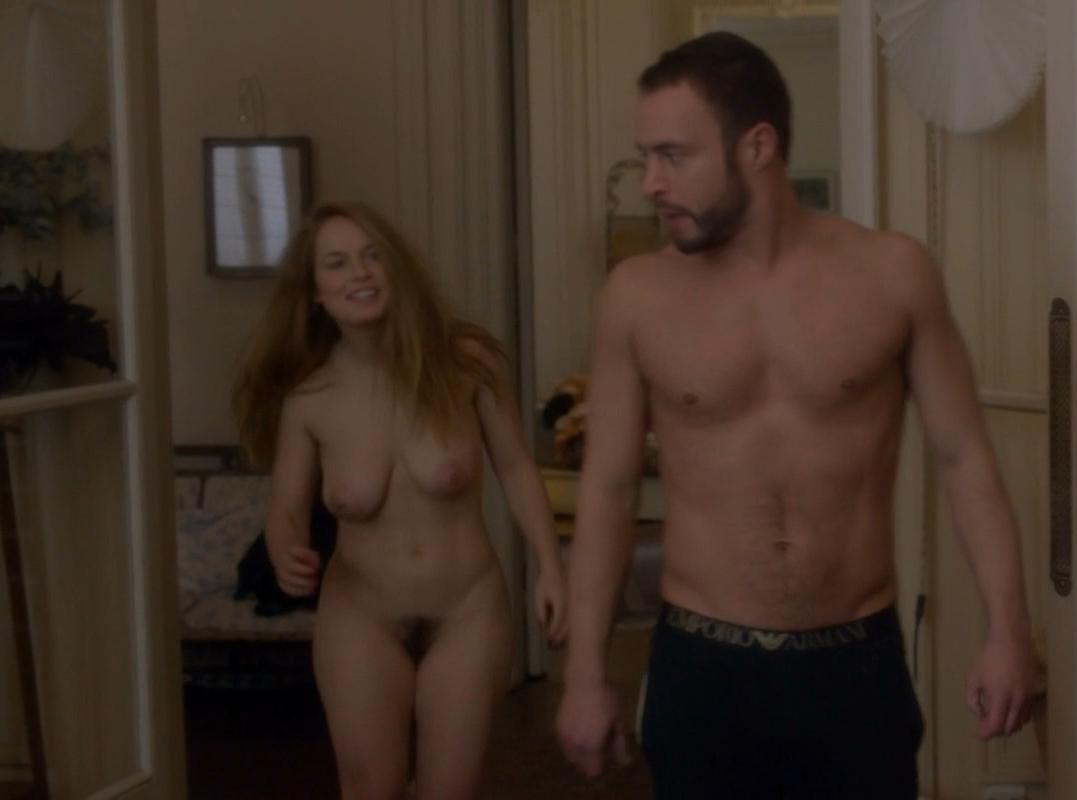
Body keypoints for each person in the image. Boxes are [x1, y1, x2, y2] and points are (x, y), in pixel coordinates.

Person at [552, 31, 1036, 797]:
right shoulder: (637, 297)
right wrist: (584, 676)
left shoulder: (892, 274)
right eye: (645, 157)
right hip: (702, 667)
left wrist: (1008, 632)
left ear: (758, 145)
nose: (650, 182)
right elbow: (608, 491)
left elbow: (965, 459)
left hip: (854, 663)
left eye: (673, 155)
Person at [234, 201, 568, 798]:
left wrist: (550, 564)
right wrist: (286, 551)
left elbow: (516, 466)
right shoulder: (309, 398)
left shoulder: (464, 362)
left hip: (468, 608)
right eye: (337, 263)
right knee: (373, 789)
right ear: (315, 293)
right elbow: (285, 510)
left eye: (372, 257)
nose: (359, 273)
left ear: (397, 268)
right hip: (360, 613)